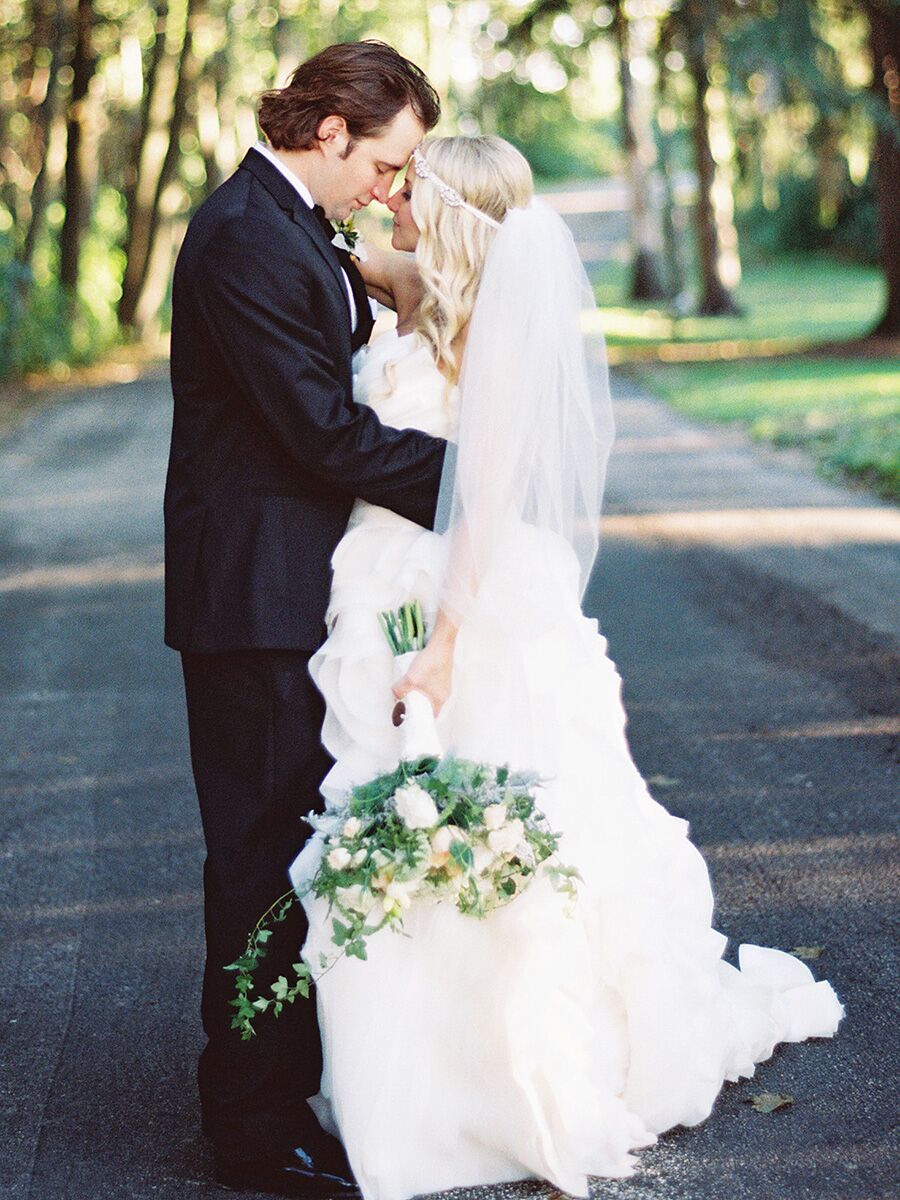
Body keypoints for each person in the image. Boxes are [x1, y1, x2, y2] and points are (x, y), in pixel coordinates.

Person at [290, 135, 845, 1200]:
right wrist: (364, 256)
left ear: (448, 210)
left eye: (412, 190)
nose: (393, 199)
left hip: (469, 611)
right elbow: (400, 274)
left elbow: (484, 504)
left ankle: (506, 1075)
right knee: (400, 813)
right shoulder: (432, 297)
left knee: (496, 816)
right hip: (379, 591)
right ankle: (411, 1076)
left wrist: (445, 649)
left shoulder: (496, 339)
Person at [164, 41, 451, 1198]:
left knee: (293, 846)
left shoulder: (293, 225)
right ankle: (248, 1124)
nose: (391, 187)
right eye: (388, 161)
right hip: (253, 594)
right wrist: (483, 481)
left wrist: (388, 277)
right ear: (330, 131)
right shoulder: (243, 237)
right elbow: (323, 436)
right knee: (257, 861)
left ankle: (287, 1085)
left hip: (295, 584)